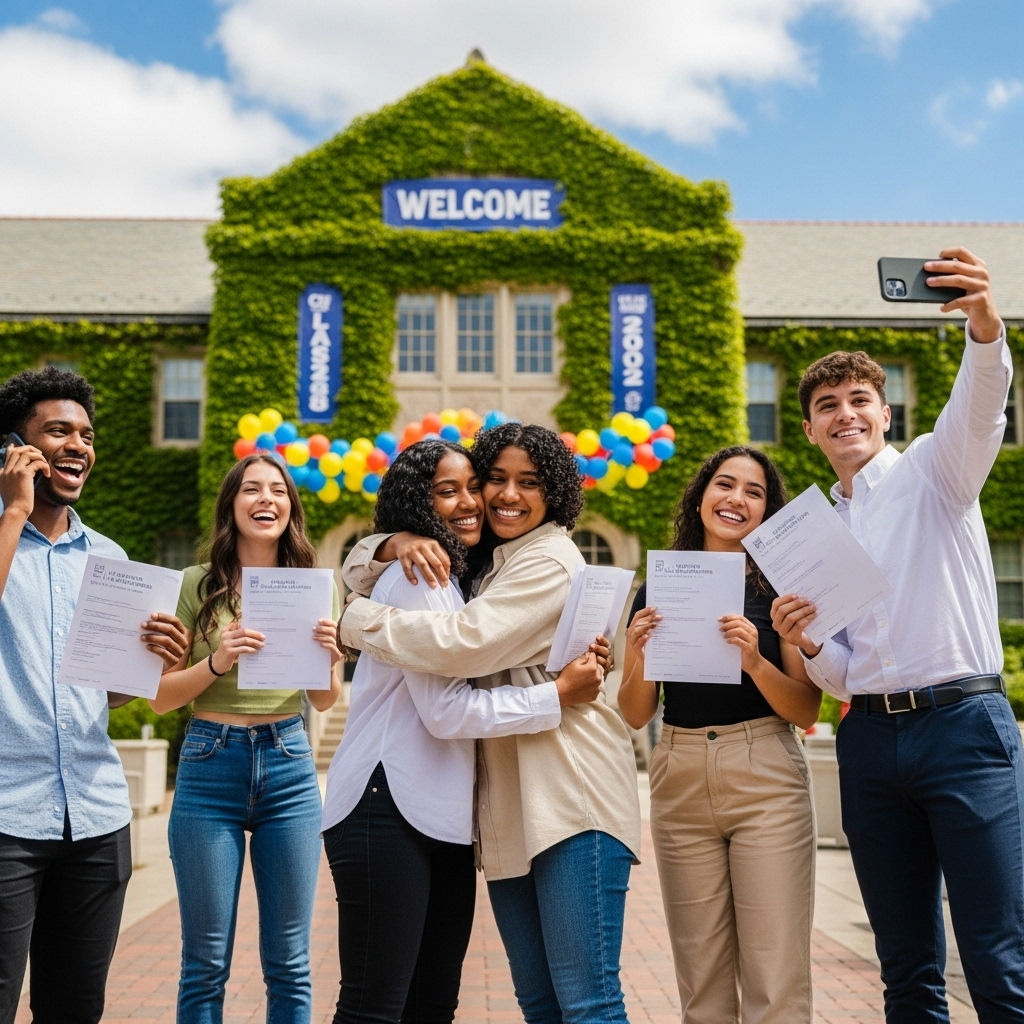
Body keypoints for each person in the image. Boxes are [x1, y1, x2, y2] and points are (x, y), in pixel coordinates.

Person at [771, 248, 1024, 1021]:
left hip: (963, 730)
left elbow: (981, 406)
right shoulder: (810, 537)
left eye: (858, 401)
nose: (844, 414)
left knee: (998, 956)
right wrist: (810, 643)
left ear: (886, 416)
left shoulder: (934, 475)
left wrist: (984, 327)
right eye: (827, 407)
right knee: (906, 967)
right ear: (811, 430)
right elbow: (848, 673)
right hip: (871, 743)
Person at [339, 422, 641, 1024]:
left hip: (570, 796)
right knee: (540, 1003)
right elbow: (367, 568)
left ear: (553, 491)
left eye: (526, 483)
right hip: (508, 807)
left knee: (587, 1005)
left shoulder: (548, 562)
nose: (501, 496)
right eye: (492, 479)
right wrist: (389, 543)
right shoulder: (483, 561)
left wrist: (354, 623)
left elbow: (463, 644)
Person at [0, 367, 188, 1024]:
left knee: (75, 1009)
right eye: (58, 430)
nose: (79, 444)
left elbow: (101, 697)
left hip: (95, 815)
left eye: (86, 433)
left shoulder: (106, 556)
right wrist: (15, 512)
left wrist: (149, 662)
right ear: (12, 450)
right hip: (5, 819)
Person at [617, 446, 822, 1023]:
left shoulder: (781, 588)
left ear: (766, 510)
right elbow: (635, 714)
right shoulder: (660, 586)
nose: (736, 499)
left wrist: (756, 662)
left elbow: (805, 707)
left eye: (753, 492)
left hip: (765, 776)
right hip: (679, 773)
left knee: (774, 972)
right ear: (701, 495)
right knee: (700, 977)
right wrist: (638, 655)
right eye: (724, 485)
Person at [151, 451, 342, 1024]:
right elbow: (161, 697)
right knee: (205, 961)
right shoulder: (194, 585)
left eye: (278, 491)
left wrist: (331, 661)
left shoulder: (313, 586)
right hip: (210, 764)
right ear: (231, 505)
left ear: (291, 508)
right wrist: (218, 660)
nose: (266, 500)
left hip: (288, 764)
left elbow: (324, 700)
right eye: (252, 489)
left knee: (289, 959)